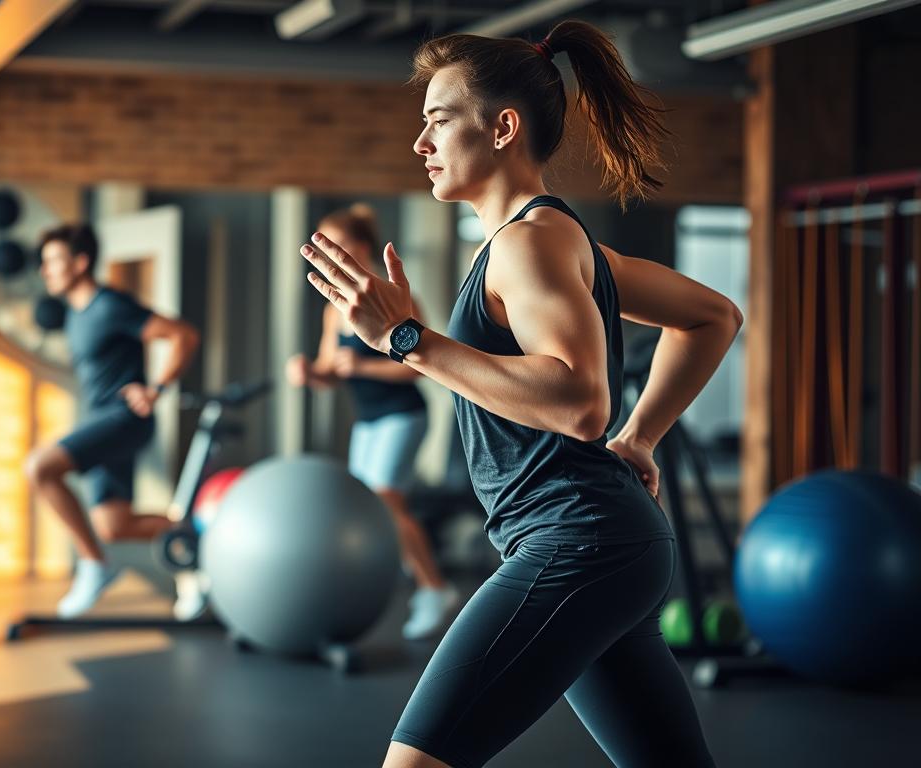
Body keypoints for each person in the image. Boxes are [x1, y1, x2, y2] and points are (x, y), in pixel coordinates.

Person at [300, 22, 738, 768]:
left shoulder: (527, 244)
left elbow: (579, 402)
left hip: (577, 542)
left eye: (438, 120)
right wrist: (639, 439)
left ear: (502, 127)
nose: (421, 143)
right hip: (605, 541)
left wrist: (410, 341)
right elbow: (712, 317)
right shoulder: (553, 241)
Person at [286, 204, 459, 640]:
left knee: (386, 499)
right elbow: (330, 372)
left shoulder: (394, 298)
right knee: (368, 505)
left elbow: (419, 366)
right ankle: (405, 581)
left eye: (333, 245)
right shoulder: (333, 310)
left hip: (403, 414)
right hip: (368, 421)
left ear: (358, 248)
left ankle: (434, 588)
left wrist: (360, 368)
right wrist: (310, 373)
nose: (325, 256)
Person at [25, 223, 201, 619]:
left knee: (40, 468)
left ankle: (95, 565)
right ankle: (199, 540)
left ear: (81, 262)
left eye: (53, 260)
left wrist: (156, 387)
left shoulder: (110, 305)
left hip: (124, 419)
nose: (45, 270)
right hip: (102, 421)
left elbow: (183, 336)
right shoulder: (75, 315)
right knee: (113, 526)